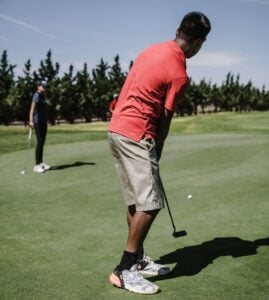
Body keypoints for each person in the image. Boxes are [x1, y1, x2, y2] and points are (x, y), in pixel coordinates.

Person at [108, 11, 211, 294]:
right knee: (151, 203)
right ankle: (126, 268)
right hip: (137, 132)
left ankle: (138, 259)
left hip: (116, 128)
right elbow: (165, 117)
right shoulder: (179, 73)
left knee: (134, 200)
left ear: (178, 30)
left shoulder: (151, 49)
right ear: (200, 42)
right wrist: (158, 150)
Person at [29, 80, 50, 173]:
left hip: (44, 122)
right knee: (40, 142)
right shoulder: (36, 95)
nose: (45, 88)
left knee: (42, 143)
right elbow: (32, 109)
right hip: (37, 122)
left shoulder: (43, 96)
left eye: (46, 87)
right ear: (38, 86)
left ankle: (41, 163)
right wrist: (30, 121)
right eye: (43, 86)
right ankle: (36, 165)